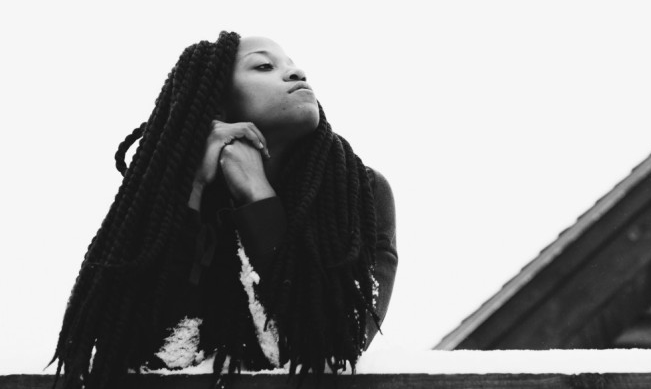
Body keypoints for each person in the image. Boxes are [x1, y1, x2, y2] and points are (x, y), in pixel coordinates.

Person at [48, 31, 398, 389]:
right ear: (217, 105)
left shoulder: (360, 192)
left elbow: (332, 344)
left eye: (295, 67)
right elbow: (155, 350)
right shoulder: (162, 202)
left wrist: (257, 196)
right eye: (264, 66)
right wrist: (193, 190)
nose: (297, 74)